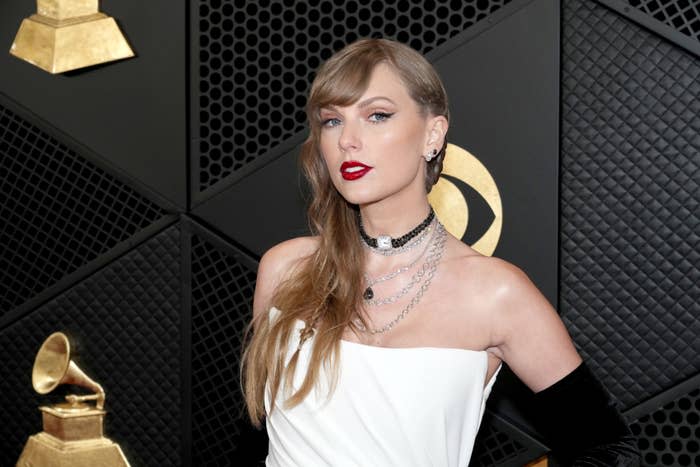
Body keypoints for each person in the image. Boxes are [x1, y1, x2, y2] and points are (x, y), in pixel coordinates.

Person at [241, 38, 639, 466]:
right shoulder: (286, 269)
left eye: (377, 115)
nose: (348, 141)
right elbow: (257, 439)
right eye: (332, 121)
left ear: (432, 133)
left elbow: (608, 449)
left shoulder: (496, 294)